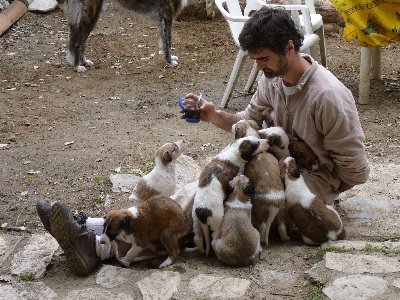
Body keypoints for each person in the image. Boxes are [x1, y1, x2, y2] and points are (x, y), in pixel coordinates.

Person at [36, 6, 370, 276]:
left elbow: (356, 172)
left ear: (289, 48)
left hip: (300, 181)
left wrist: (304, 188)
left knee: (199, 208)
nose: (258, 66)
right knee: (204, 184)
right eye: (254, 59)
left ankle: (97, 247)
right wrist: (212, 114)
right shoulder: (274, 78)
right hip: (268, 165)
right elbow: (249, 120)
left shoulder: (328, 98)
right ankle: (94, 226)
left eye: (263, 58)